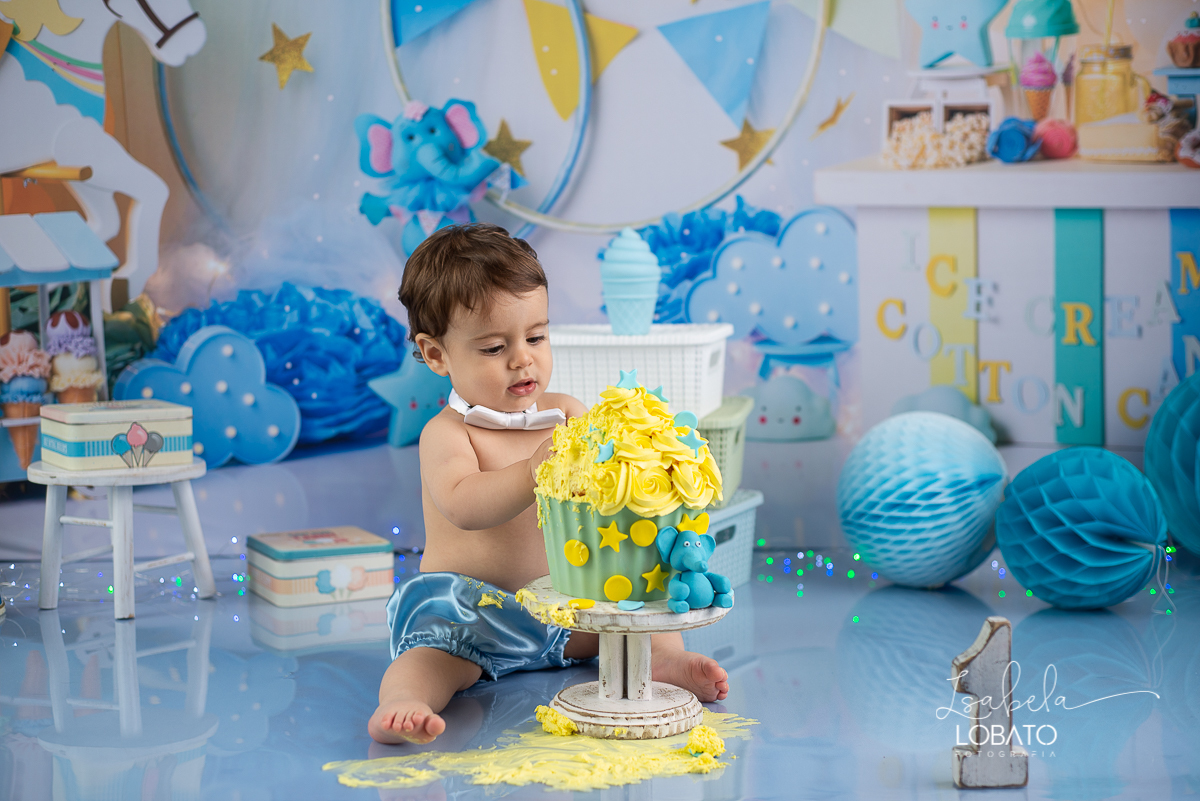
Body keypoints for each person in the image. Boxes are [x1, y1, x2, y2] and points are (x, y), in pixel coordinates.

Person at [370, 223, 729, 744]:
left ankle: (667, 663)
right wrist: (532, 470)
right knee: (431, 658)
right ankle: (404, 702)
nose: (523, 358)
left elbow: (604, 493)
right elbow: (464, 504)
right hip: (476, 616)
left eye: (536, 336)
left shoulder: (565, 413)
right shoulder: (447, 433)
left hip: (565, 604)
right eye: (494, 348)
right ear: (436, 355)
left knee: (634, 616)